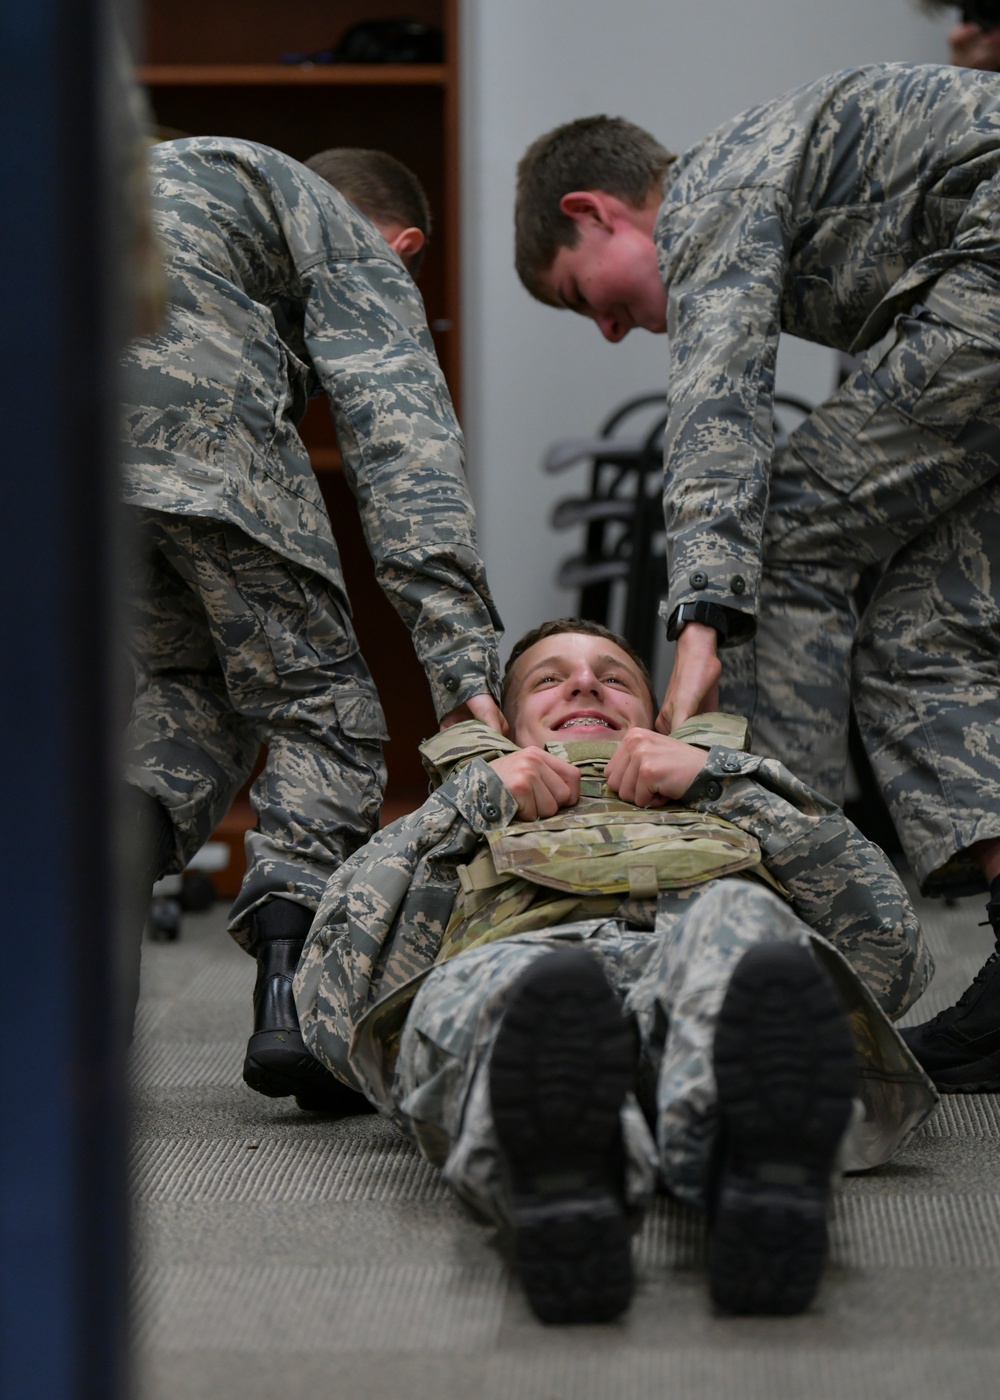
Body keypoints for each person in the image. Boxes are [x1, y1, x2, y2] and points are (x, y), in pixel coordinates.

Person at [512, 65, 1000, 1092]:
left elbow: (718, 405)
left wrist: (699, 631)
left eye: (579, 295)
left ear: (593, 212)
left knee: (781, 540)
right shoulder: (777, 181)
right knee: (925, 629)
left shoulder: (715, 184)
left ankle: (781, 933)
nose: (606, 330)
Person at [294, 619, 936, 1322]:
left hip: (702, 959)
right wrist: (467, 802)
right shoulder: (468, 808)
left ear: (658, 716)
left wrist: (723, 783)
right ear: (505, 725)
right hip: (532, 964)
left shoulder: (730, 788)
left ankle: (755, 1169)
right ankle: (570, 1187)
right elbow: (332, 997)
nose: (584, 683)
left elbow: (889, 951)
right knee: (512, 991)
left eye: (614, 675)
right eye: (549, 678)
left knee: (751, 940)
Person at [121, 137, 504, 1108]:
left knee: (180, 686)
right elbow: (403, 444)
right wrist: (467, 672)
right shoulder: (348, 237)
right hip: (195, 429)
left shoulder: (182, 179)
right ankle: (295, 1000)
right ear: (401, 245)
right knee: (321, 705)